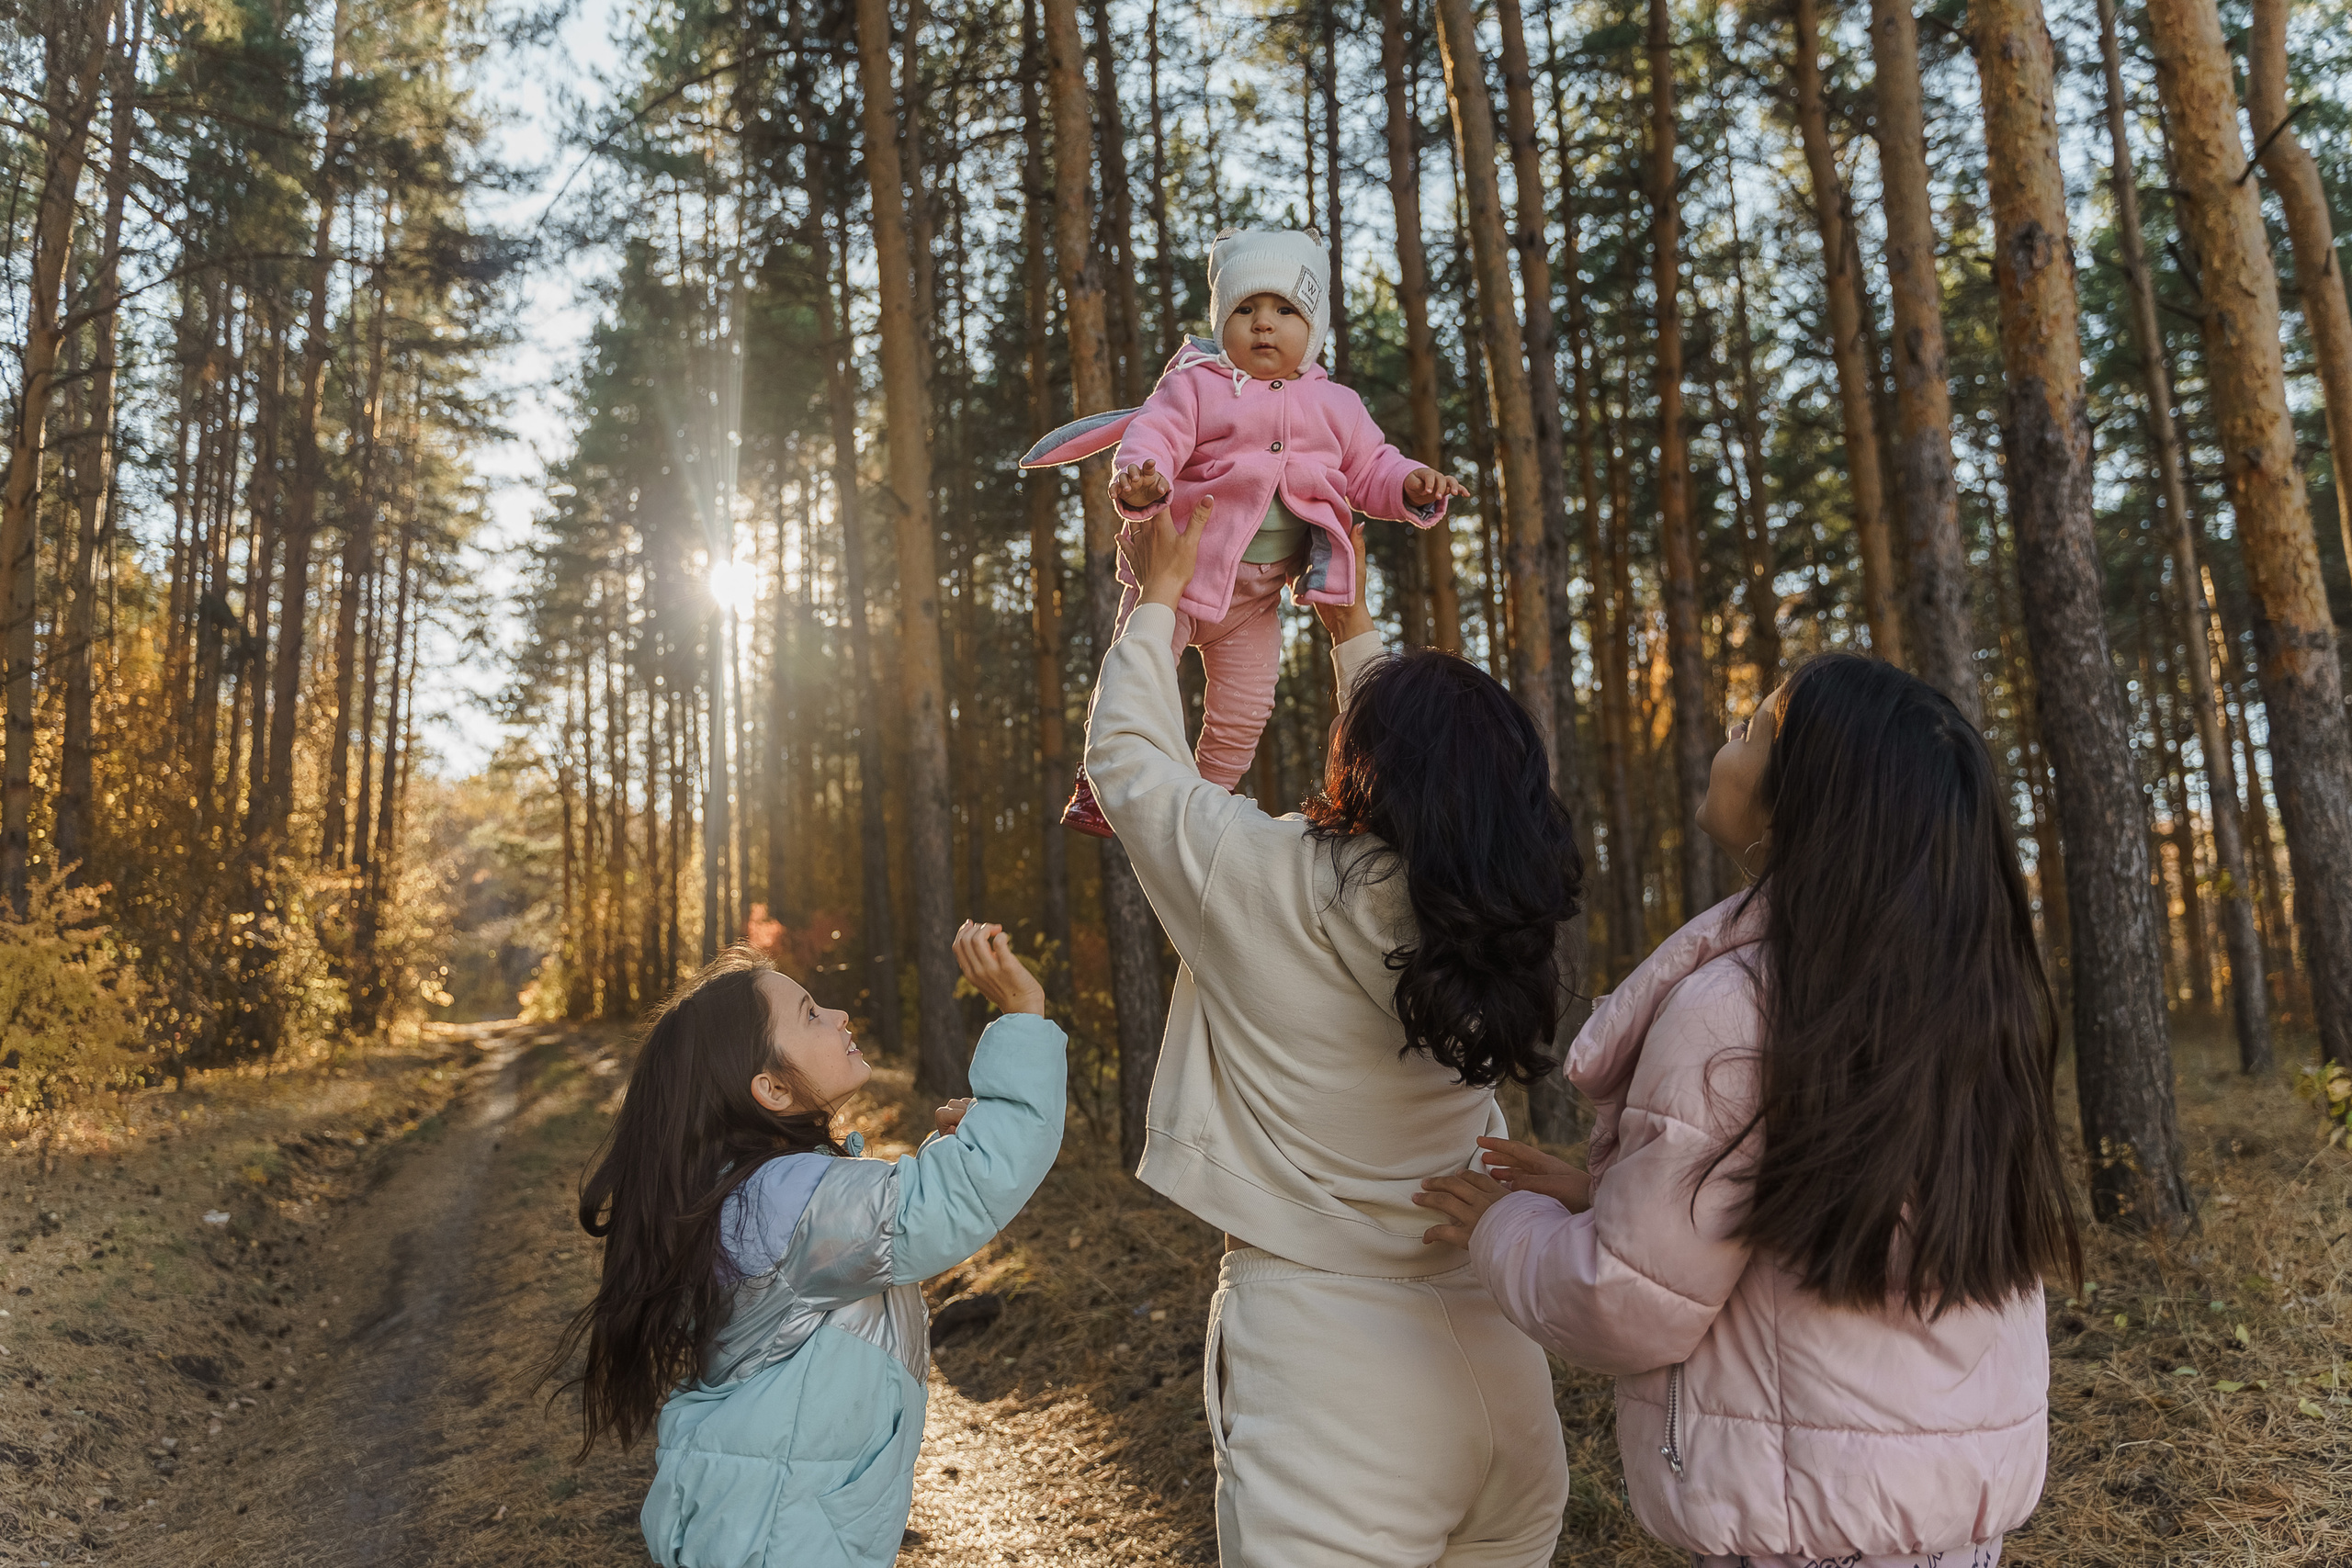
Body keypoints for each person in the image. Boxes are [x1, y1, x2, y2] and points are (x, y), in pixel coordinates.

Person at [1419, 653, 2080, 1568]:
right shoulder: (1950, 998)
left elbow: (1626, 1308)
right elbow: (1833, 1212)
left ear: (1797, 797)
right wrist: (1589, 1193)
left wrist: (1505, 1228)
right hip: (1940, 1525)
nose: (1726, 736)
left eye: (1752, 726)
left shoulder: (1733, 1009)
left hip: (1799, 1516)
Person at [1083, 498, 1576, 1566]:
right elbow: (1431, 787)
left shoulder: (1268, 879)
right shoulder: (1498, 922)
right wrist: (1353, 637)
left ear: (1366, 765)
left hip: (1325, 1362)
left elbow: (1128, 765)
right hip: (1496, 1358)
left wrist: (1160, 600)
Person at [550, 923, 1065, 1568]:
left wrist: (948, 1151)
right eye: (812, 1014)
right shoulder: (783, 1196)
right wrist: (1022, 1019)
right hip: (780, 1537)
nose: (841, 1014)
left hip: (763, 1524)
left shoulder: (758, 1194)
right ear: (771, 1088)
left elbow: (880, 1228)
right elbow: (944, 1205)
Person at [1025, 227, 1466, 836]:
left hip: (1254, 602)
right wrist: (1140, 479)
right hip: (1175, 581)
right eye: (1245, 308)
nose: (1264, 324)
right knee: (1138, 671)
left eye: (1285, 310)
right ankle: (1099, 785)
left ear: (1313, 328)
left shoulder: (1337, 405)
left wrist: (1412, 484)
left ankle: (1204, 805)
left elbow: (1371, 468)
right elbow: (1154, 434)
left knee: (1245, 711)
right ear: (1221, 319)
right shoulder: (1197, 383)